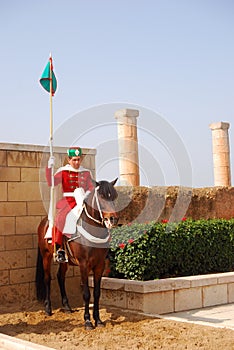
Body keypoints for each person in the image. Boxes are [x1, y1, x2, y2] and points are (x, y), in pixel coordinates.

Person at [46, 147, 94, 263]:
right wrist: (49, 167)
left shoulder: (86, 172)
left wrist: (87, 194)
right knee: (61, 218)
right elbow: (51, 182)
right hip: (68, 201)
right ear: (68, 159)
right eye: (74, 160)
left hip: (83, 199)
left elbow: (91, 187)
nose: (77, 163)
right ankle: (60, 249)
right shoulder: (63, 171)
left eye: (78, 160)